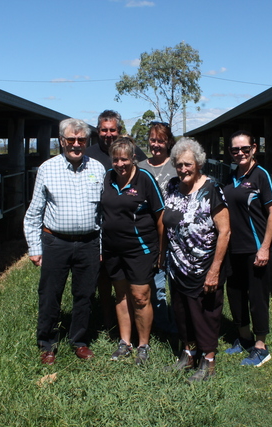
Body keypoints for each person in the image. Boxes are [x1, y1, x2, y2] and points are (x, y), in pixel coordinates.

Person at [23, 118, 106, 365]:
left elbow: (103, 213)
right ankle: (47, 343)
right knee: (50, 294)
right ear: (62, 141)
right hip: (56, 242)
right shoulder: (47, 169)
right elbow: (34, 212)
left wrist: (101, 246)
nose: (76, 144)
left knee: (85, 295)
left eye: (81, 140)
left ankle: (79, 341)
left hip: (89, 243)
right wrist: (34, 247)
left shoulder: (98, 168)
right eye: (71, 139)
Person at [161, 138, 230, 382]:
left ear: (198, 163)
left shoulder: (212, 189)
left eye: (188, 164)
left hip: (204, 267)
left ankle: (208, 362)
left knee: (206, 315)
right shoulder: (172, 186)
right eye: (179, 164)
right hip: (177, 266)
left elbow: (225, 231)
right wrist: (162, 255)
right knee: (181, 312)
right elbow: (165, 222)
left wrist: (215, 270)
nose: (183, 169)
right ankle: (188, 354)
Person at [102, 136, 164, 365]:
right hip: (112, 249)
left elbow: (160, 215)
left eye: (124, 159)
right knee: (121, 294)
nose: (120, 164)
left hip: (140, 248)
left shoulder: (145, 179)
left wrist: (161, 250)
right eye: (116, 160)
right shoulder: (108, 178)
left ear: (133, 158)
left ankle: (143, 345)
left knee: (140, 296)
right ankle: (125, 342)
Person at [222, 130, 272, 367]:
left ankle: (261, 347)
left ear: (254, 148)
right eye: (235, 150)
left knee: (257, 297)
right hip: (232, 248)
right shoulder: (230, 176)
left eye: (245, 149)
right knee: (235, 294)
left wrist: (265, 247)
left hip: (255, 248)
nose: (240, 153)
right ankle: (244, 338)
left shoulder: (261, 175)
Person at [87, 109, 147, 330]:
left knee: (130, 280)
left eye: (112, 130)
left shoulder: (134, 152)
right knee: (103, 276)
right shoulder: (89, 155)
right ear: (98, 131)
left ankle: (135, 321)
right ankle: (107, 317)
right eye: (104, 130)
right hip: (99, 225)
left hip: (129, 228)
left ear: (119, 130)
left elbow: (144, 178)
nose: (108, 134)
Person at [137, 122, 178, 336]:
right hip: (151, 236)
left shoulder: (178, 165)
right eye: (152, 140)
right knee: (157, 284)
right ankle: (162, 326)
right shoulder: (140, 167)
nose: (155, 144)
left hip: (177, 236)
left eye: (160, 140)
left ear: (168, 142)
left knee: (178, 285)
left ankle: (181, 325)